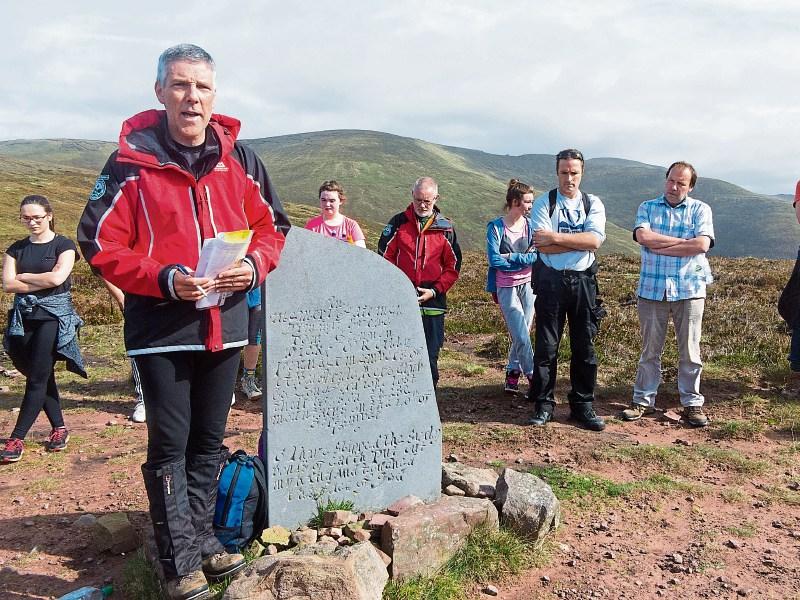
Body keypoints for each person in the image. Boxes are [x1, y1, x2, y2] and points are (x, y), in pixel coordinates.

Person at [76, 44, 289, 600]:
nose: (191, 96)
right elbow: (97, 240)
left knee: (209, 440)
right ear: (159, 93)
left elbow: (272, 229)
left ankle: (203, 543)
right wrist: (164, 278)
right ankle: (178, 565)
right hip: (162, 329)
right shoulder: (130, 163)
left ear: (214, 95)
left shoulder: (238, 158)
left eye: (201, 86)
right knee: (170, 444)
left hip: (227, 324)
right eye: (179, 85)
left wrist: (252, 266)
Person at [622, 161, 714, 427]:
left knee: (690, 349)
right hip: (652, 289)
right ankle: (643, 400)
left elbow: (702, 244)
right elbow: (643, 237)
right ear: (666, 180)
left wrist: (661, 245)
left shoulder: (701, 209)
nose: (674, 187)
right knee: (650, 349)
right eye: (671, 181)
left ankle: (692, 403)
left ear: (690, 186)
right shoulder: (647, 207)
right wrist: (684, 244)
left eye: (681, 183)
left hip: (690, 289)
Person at [2, 195, 86, 463]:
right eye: (26, 217)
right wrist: (40, 281)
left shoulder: (64, 245)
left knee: (37, 377)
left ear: (49, 215)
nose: (32, 222)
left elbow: (58, 277)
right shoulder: (16, 248)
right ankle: (59, 428)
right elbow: (8, 285)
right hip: (23, 318)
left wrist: (24, 277)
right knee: (41, 374)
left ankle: (17, 438)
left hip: (53, 317)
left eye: (37, 217)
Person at [527, 149, 606, 431]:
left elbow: (595, 242)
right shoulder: (544, 202)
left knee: (584, 346)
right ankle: (544, 404)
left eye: (574, 172)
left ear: (582, 172)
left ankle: (582, 404)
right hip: (550, 280)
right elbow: (541, 244)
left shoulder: (592, 203)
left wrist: (556, 237)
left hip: (584, 281)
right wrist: (577, 240)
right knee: (546, 346)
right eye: (564, 172)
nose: (569, 178)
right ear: (557, 172)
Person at [378, 176, 461, 388]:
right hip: (401, 302)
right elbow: (383, 259)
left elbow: (453, 267)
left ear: (436, 198)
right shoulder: (397, 223)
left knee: (431, 354)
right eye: (418, 200)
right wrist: (398, 289)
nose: (422, 205)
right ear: (412, 196)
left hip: (433, 303)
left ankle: (429, 402)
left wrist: (434, 291)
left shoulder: (446, 228)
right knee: (399, 353)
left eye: (427, 201)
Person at [486, 179, 537, 394]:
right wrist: (523, 259)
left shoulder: (531, 226)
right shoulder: (496, 227)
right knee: (522, 335)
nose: (531, 206)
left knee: (521, 333)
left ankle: (512, 374)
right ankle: (535, 379)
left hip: (529, 285)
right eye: (527, 202)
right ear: (515, 202)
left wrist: (512, 257)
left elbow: (537, 256)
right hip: (506, 287)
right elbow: (494, 260)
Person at [100, 278, 146, 422]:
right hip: (138, 303)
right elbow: (101, 266)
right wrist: (122, 299)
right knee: (141, 348)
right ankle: (144, 400)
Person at [304, 180, 366, 247]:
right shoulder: (312, 225)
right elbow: (304, 248)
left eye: (332, 201)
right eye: (323, 200)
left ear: (340, 201)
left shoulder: (351, 225)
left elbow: (362, 252)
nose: (327, 204)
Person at [238, 286, 263, 401]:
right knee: (232, 336)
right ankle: (224, 384)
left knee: (255, 335)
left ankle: (248, 380)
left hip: (257, 289)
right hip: (232, 291)